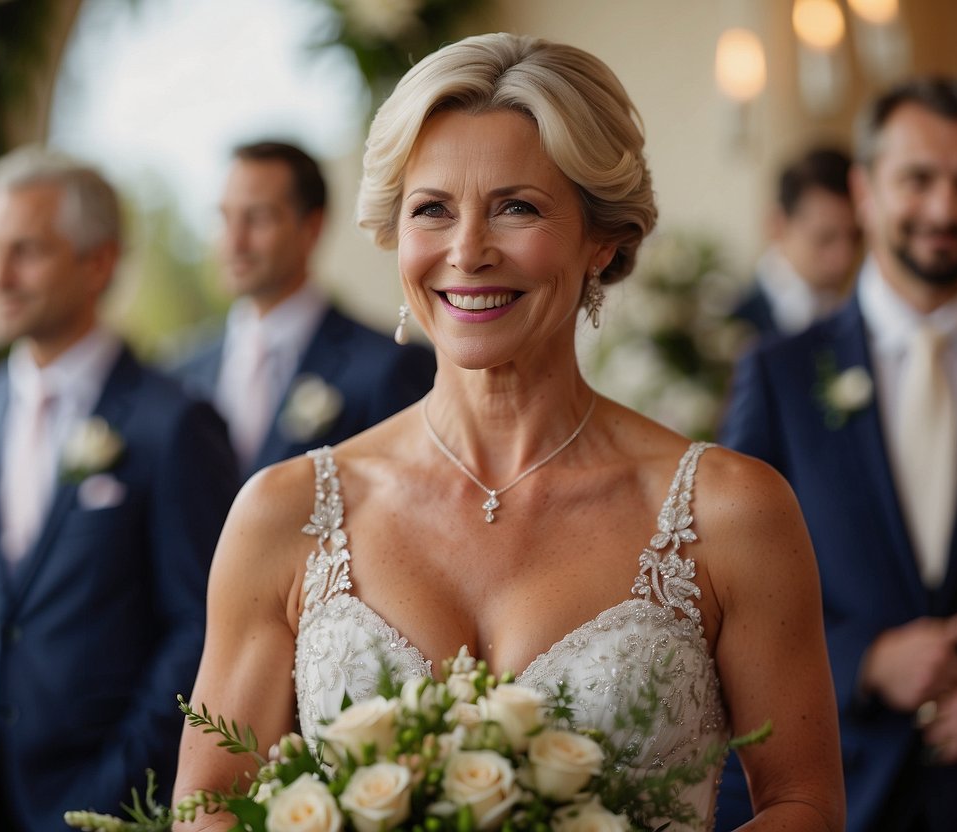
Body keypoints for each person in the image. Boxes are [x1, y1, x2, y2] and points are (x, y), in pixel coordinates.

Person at [173, 33, 843, 832]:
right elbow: (208, 806)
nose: (467, 252)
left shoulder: (732, 512)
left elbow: (802, 804)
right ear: (395, 234)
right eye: (432, 210)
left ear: (602, 237)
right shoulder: (282, 514)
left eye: (516, 207)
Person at [0, 149, 240, 832]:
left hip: (110, 798)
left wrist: (108, 793)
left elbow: (201, 626)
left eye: (25, 252)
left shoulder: (174, 422)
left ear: (97, 263)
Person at [720, 76, 957, 831]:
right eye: (918, 179)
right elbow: (725, 592)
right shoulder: (779, 374)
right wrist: (862, 659)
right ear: (863, 190)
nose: (944, 209)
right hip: (837, 788)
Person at [172, 141, 436, 479]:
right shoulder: (182, 373)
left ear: (311, 226)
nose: (234, 242)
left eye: (257, 218)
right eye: (225, 218)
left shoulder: (390, 368)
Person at [732, 147, 861, 339]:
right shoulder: (733, 328)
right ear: (777, 227)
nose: (844, 257)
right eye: (824, 239)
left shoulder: (860, 315)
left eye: (856, 237)